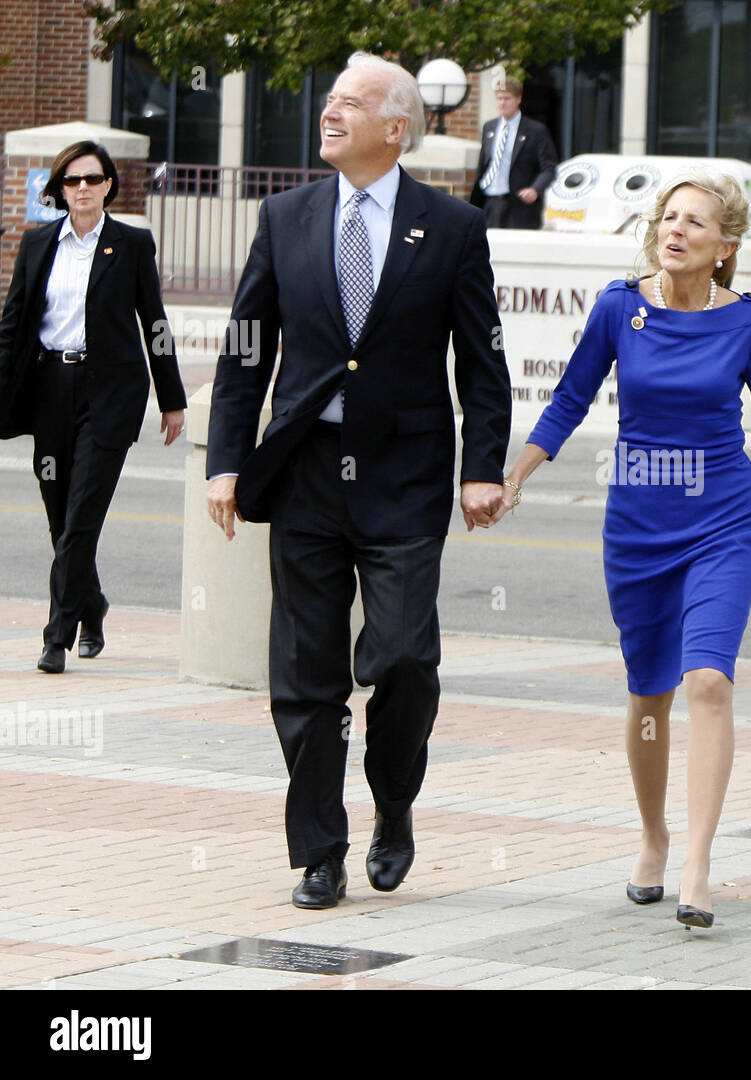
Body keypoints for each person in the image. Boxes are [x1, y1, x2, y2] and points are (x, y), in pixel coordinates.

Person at [205, 53, 511, 910]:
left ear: (395, 128)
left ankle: (394, 803)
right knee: (306, 677)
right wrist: (226, 458)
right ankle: (319, 852)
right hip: (303, 472)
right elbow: (244, 351)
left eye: (351, 102)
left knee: (406, 657)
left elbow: (481, 363)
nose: (330, 112)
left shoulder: (451, 228)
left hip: (405, 475)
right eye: (330, 99)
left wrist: (483, 467)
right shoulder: (286, 217)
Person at [494, 171, 751, 928]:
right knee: (650, 692)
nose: (675, 229)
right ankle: (653, 837)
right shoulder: (621, 306)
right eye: (668, 217)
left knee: (709, 681)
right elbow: (570, 398)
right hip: (639, 524)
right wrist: (515, 477)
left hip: (723, 519)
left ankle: (698, 862)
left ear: (725, 247)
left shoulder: (747, 320)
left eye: (694, 222)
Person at [0, 140, 186, 674]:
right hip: (50, 389)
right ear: (60, 190)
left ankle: (56, 635)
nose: (83, 188)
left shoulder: (130, 244)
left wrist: (171, 399)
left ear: (108, 185)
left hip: (111, 394)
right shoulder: (37, 245)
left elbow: (155, 324)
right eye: (72, 181)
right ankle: (92, 603)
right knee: (61, 517)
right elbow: (14, 325)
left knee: (82, 515)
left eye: (93, 178)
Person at [468, 76, 558, 230]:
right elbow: (484, 164)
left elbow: (549, 167)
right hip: (490, 203)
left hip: (518, 206)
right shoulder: (490, 127)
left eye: (507, 98)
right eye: (499, 98)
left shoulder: (535, 131)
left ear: (518, 99)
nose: (502, 103)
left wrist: (535, 189)